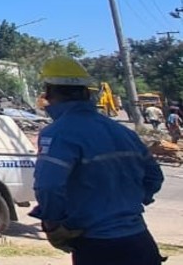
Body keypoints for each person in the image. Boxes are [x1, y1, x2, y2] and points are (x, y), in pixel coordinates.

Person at [30, 55, 164, 264]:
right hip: (140, 242)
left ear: (50, 92)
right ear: (86, 92)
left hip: (97, 245)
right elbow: (154, 176)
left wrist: (54, 223)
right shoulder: (122, 131)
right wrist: (128, 204)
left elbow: (48, 187)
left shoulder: (58, 133)